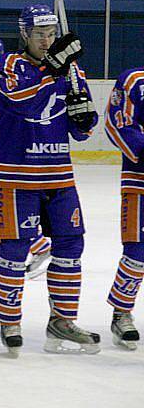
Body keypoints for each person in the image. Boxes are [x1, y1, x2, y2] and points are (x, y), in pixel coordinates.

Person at [0, 4, 99, 355]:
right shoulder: (7, 65)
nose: (47, 39)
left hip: (58, 173)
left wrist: (84, 115)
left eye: (51, 33)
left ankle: (62, 320)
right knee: (13, 249)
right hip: (15, 176)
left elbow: (82, 133)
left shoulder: (73, 71)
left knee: (71, 248)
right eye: (40, 33)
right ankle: (10, 321)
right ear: (25, 33)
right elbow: (21, 101)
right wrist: (52, 69)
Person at [0, 36, 51, 277]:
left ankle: (40, 247)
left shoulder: (4, 83)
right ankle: (2, 250)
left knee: (4, 204)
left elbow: (6, 120)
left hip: (4, 155)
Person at [103, 66, 144, 350]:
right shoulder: (134, 80)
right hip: (139, 179)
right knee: (137, 249)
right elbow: (116, 123)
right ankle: (122, 311)